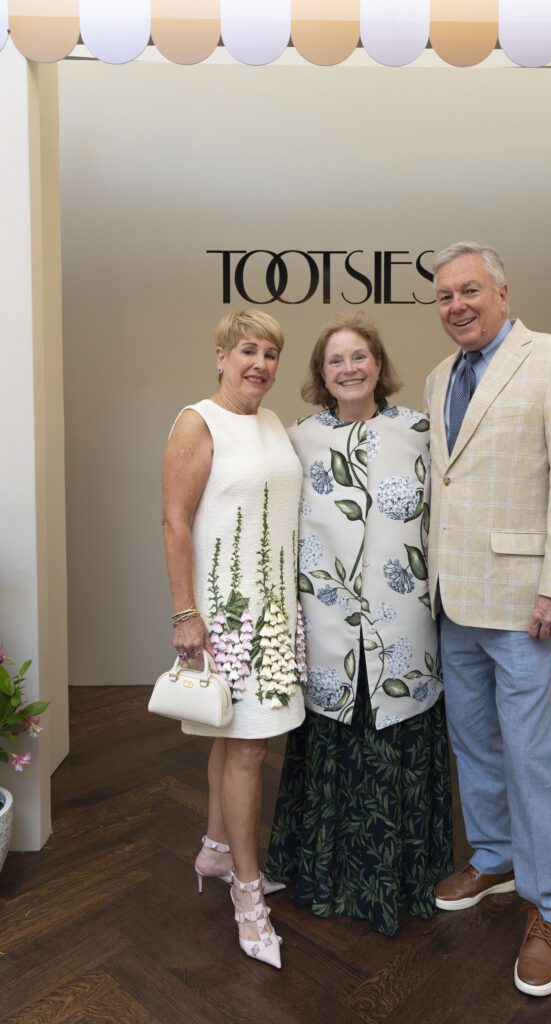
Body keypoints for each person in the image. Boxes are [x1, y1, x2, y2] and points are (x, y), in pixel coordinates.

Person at [424, 242, 551, 996]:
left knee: (530, 756)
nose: (456, 305)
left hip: (523, 603)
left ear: (501, 292)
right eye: (443, 296)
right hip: (452, 599)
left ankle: (549, 907)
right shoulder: (440, 376)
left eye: (469, 290)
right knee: (471, 743)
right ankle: (494, 858)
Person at [267, 312, 453, 936]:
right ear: (321, 374)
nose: (349, 368)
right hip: (328, 629)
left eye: (359, 357)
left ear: (379, 364)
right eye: (335, 360)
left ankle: (407, 876)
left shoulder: (423, 433)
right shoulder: (297, 440)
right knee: (332, 738)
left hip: (404, 629)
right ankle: (324, 877)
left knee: (398, 731)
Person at [161, 310, 305, 970]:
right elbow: (174, 521)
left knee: (237, 738)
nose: (260, 364)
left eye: (271, 354)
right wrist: (184, 612)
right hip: (227, 613)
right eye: (248, 350)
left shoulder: (272, 422)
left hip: (276, 609)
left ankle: (217, 849)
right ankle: (248, 898)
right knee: (248, 748)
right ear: (220, 355)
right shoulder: (198, 420)